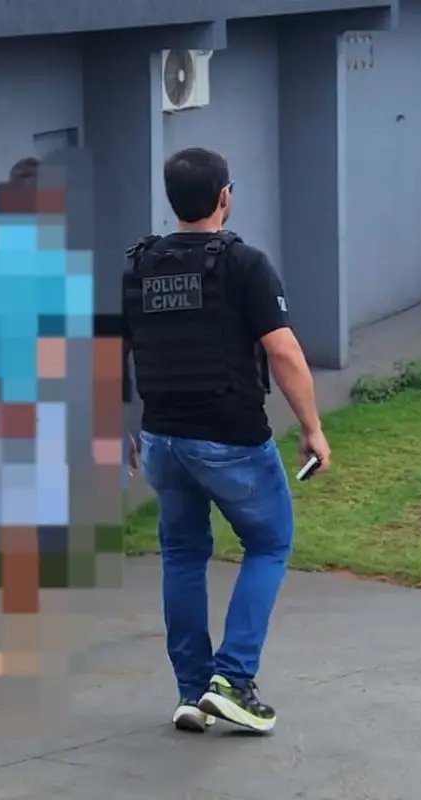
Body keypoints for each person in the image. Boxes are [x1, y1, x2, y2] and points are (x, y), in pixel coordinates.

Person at [122, 147, 331, 734]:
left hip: (163, 438)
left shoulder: (139, 267)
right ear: (224, 197)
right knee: (270, 542)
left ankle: (193, 693)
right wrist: (312, 428)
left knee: (182, 555)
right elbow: (283, 351)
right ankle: (233, 681)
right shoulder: (244, 264)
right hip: (230, 437)